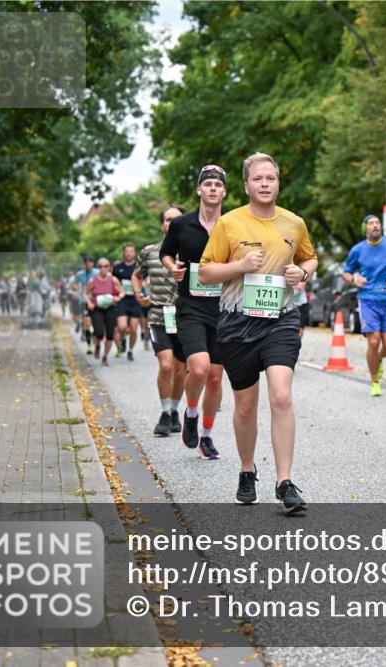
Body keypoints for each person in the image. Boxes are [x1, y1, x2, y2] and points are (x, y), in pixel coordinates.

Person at [199, 152, 317, 510]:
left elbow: (308, 258)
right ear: (247, 185)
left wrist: (303, 273)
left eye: (271, 178)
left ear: (278, 182)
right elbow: (205, 272)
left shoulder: (294, 223)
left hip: (280, 318)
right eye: (258, 179)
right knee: (246, 405)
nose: (265, 185)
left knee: (281, 395)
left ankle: (285, 482)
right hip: (237, 321)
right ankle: (247, 470)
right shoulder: (230, 223)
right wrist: (238, 265)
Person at [160, 165, 227, 460]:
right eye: (208, 184)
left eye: (218, 185)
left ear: (224, 192)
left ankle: (207, 436)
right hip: (190, 306)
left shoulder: (234, 225)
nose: (213, 188)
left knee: (214, 377)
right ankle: (190, 413)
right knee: (198, 368)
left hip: (224, 308)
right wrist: (171, 267)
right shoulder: (181, 225)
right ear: (199, 190)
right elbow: (166, 252)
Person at [342, 214, 386, 397]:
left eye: (377, 223)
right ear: (366, 229)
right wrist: (354, 279)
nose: (374, 226)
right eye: (371, 223)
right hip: (367, 299)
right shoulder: (357, 250)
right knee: (373, 341)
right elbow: (346, 273)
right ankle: (375, 381)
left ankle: (378, 359)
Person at [136, 205, 188, 436]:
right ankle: (165, 412)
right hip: (158, 314)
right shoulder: (149, 252)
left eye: (176, 219)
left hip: (186, 317)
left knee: (180, 369)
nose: (171, 223)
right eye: (167, 219)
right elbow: (137, 275)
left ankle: (175, 411)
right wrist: (140, 295)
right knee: (166, 364)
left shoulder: (192, 252)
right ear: (162, 225)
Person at [84, 258, 124, 366]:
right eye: (101, 266)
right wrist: (89, 303)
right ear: (98, 268)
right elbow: (85, 293)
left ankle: (105, 356)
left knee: (110, 335)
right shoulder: (93, 280)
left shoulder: (113, 280)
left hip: (110, 308)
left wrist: (117, 298)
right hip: (97, 309)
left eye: (106, 266)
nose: (103, 269)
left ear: (109, 267)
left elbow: (122, 293)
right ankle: (97, 346)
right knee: (99, 333)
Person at [114, 243, 144, 361]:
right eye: (127, 251)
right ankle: (123, 338)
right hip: (123, 299)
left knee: (133, 329)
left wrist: (144, 285)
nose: (129, 253)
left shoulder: (139, 267)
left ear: (134, 253)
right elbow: (113, 281)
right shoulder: (117, 267)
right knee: (121, 327)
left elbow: (146, 278)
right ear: (124, 253)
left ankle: (130, 350)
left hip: (135, 300)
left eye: (131, 251)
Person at [75, 257, 99, 351]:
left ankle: (96, 342)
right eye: (86, 263)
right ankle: (89, 346)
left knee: (96, 324)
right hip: (83, 301)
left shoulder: (97, 272)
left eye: (90, 263)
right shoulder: (79, 274)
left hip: (96, 301)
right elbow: (75, 284)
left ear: (93, 264)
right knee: (87, 323)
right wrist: (77, 290)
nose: (88, 265)